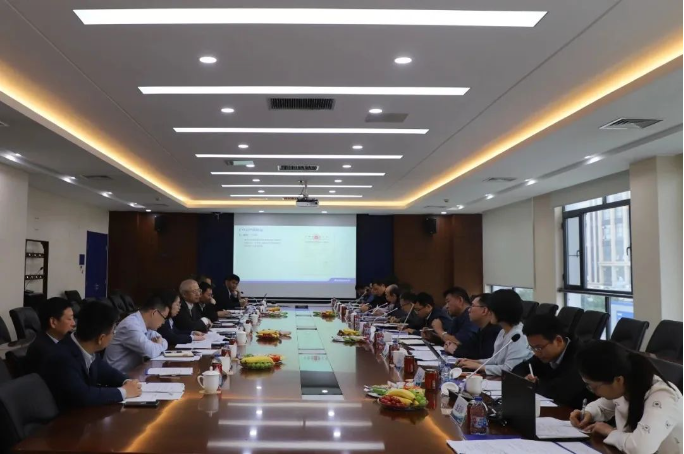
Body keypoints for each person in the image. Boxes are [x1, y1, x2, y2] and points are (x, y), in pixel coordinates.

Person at [570, 341, 683, 454]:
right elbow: (602, 407)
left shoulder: (663, 396)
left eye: (593, 386)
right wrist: (588, 413)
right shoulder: (626, 384)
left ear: (618, 380)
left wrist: (609, 431)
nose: (592, 391)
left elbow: (640, 448)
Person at [41, 302, 142, 410]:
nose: (114, 334)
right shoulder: (62, 358)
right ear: (101, 338)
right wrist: (124, 392)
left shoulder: (87, 348)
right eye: (113, 331)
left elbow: (106, 371)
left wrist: (127, 381)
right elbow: (83, 396)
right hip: (68, 417)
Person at [511, 314, 592, 409]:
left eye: (538, 348)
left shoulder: (581, 357)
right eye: (532, 348)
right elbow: (517, 370)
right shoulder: (543, 354)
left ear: (558, 341)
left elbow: (560, 392)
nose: (536, 353)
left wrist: (535, 384)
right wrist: (525, 380)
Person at [457, 289, 531, 376]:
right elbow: (495, 360)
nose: (489, 312)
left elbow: (509, 370)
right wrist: (474, 362)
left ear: (501, 311)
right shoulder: (503, 331)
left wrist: (478, 366)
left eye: (491, 309)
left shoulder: (519, 336)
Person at [104, 296, 169, 372]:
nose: (164, 322)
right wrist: (159, 344)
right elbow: (150, 352)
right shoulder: (131, 325)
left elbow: (164, 341)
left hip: (132, 373)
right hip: (116, 376)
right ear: (154, 313)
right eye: (164, 317)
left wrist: (158, 344)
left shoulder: (146, 325)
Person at [25, 297, 76, 374]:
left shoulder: (67, 339)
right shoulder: (43, 351)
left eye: (73, 318)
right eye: (69, 319)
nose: (73, 323)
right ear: (53, 322)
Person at [444, 293, 501, 359]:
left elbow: (484, 357)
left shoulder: (494, 332)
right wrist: (452, 345)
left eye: (472, 306)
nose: (469, 310)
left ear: (484, 311)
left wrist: (455, 350)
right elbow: (471, 348)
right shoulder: (481, 329)